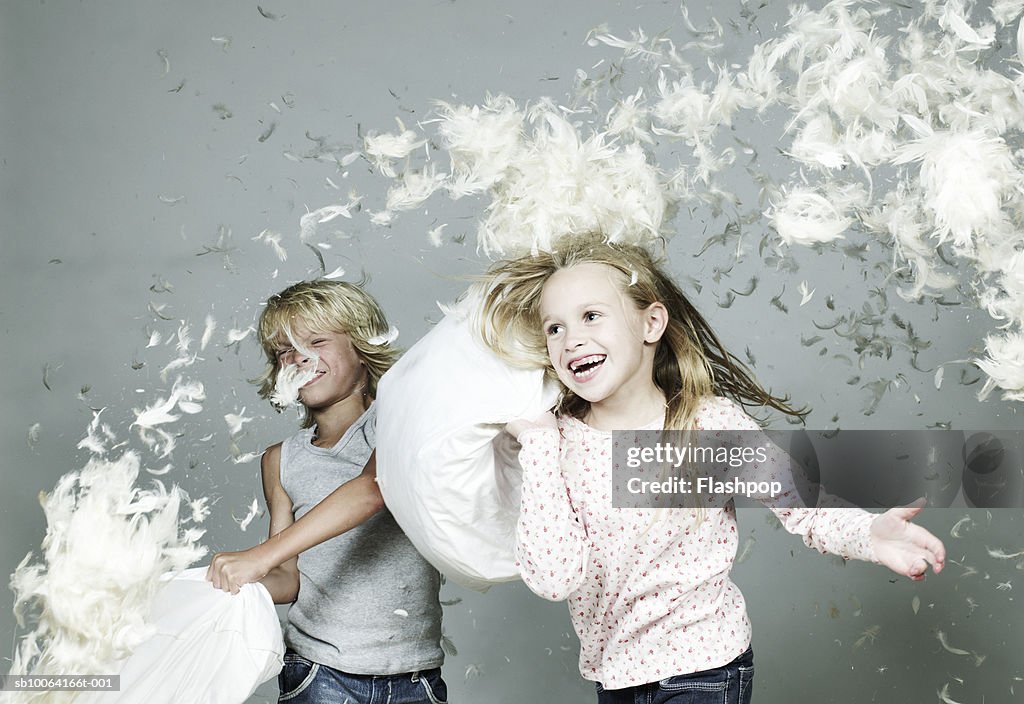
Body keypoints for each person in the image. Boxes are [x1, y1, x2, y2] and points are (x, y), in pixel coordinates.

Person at [476, 232, 945, 704]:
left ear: (651, 323)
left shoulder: (707, 426)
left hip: (702, 668)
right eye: (554, 328)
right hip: (614, 679)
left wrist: (868, 534)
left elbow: (802, 506)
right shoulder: (552, 440)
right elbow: (553, 578)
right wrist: (536, 444)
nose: (571, 339)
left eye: (591, 316)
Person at [205, 280, 447, 704]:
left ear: (361, 348)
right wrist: (226, 586)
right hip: (317, 673)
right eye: (284, 350)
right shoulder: (280, 460)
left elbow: (373, 488)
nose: (299, 357)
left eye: (316, 341)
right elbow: (288, 574)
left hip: (414, 673)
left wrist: (257, 558)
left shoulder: (400, 420)